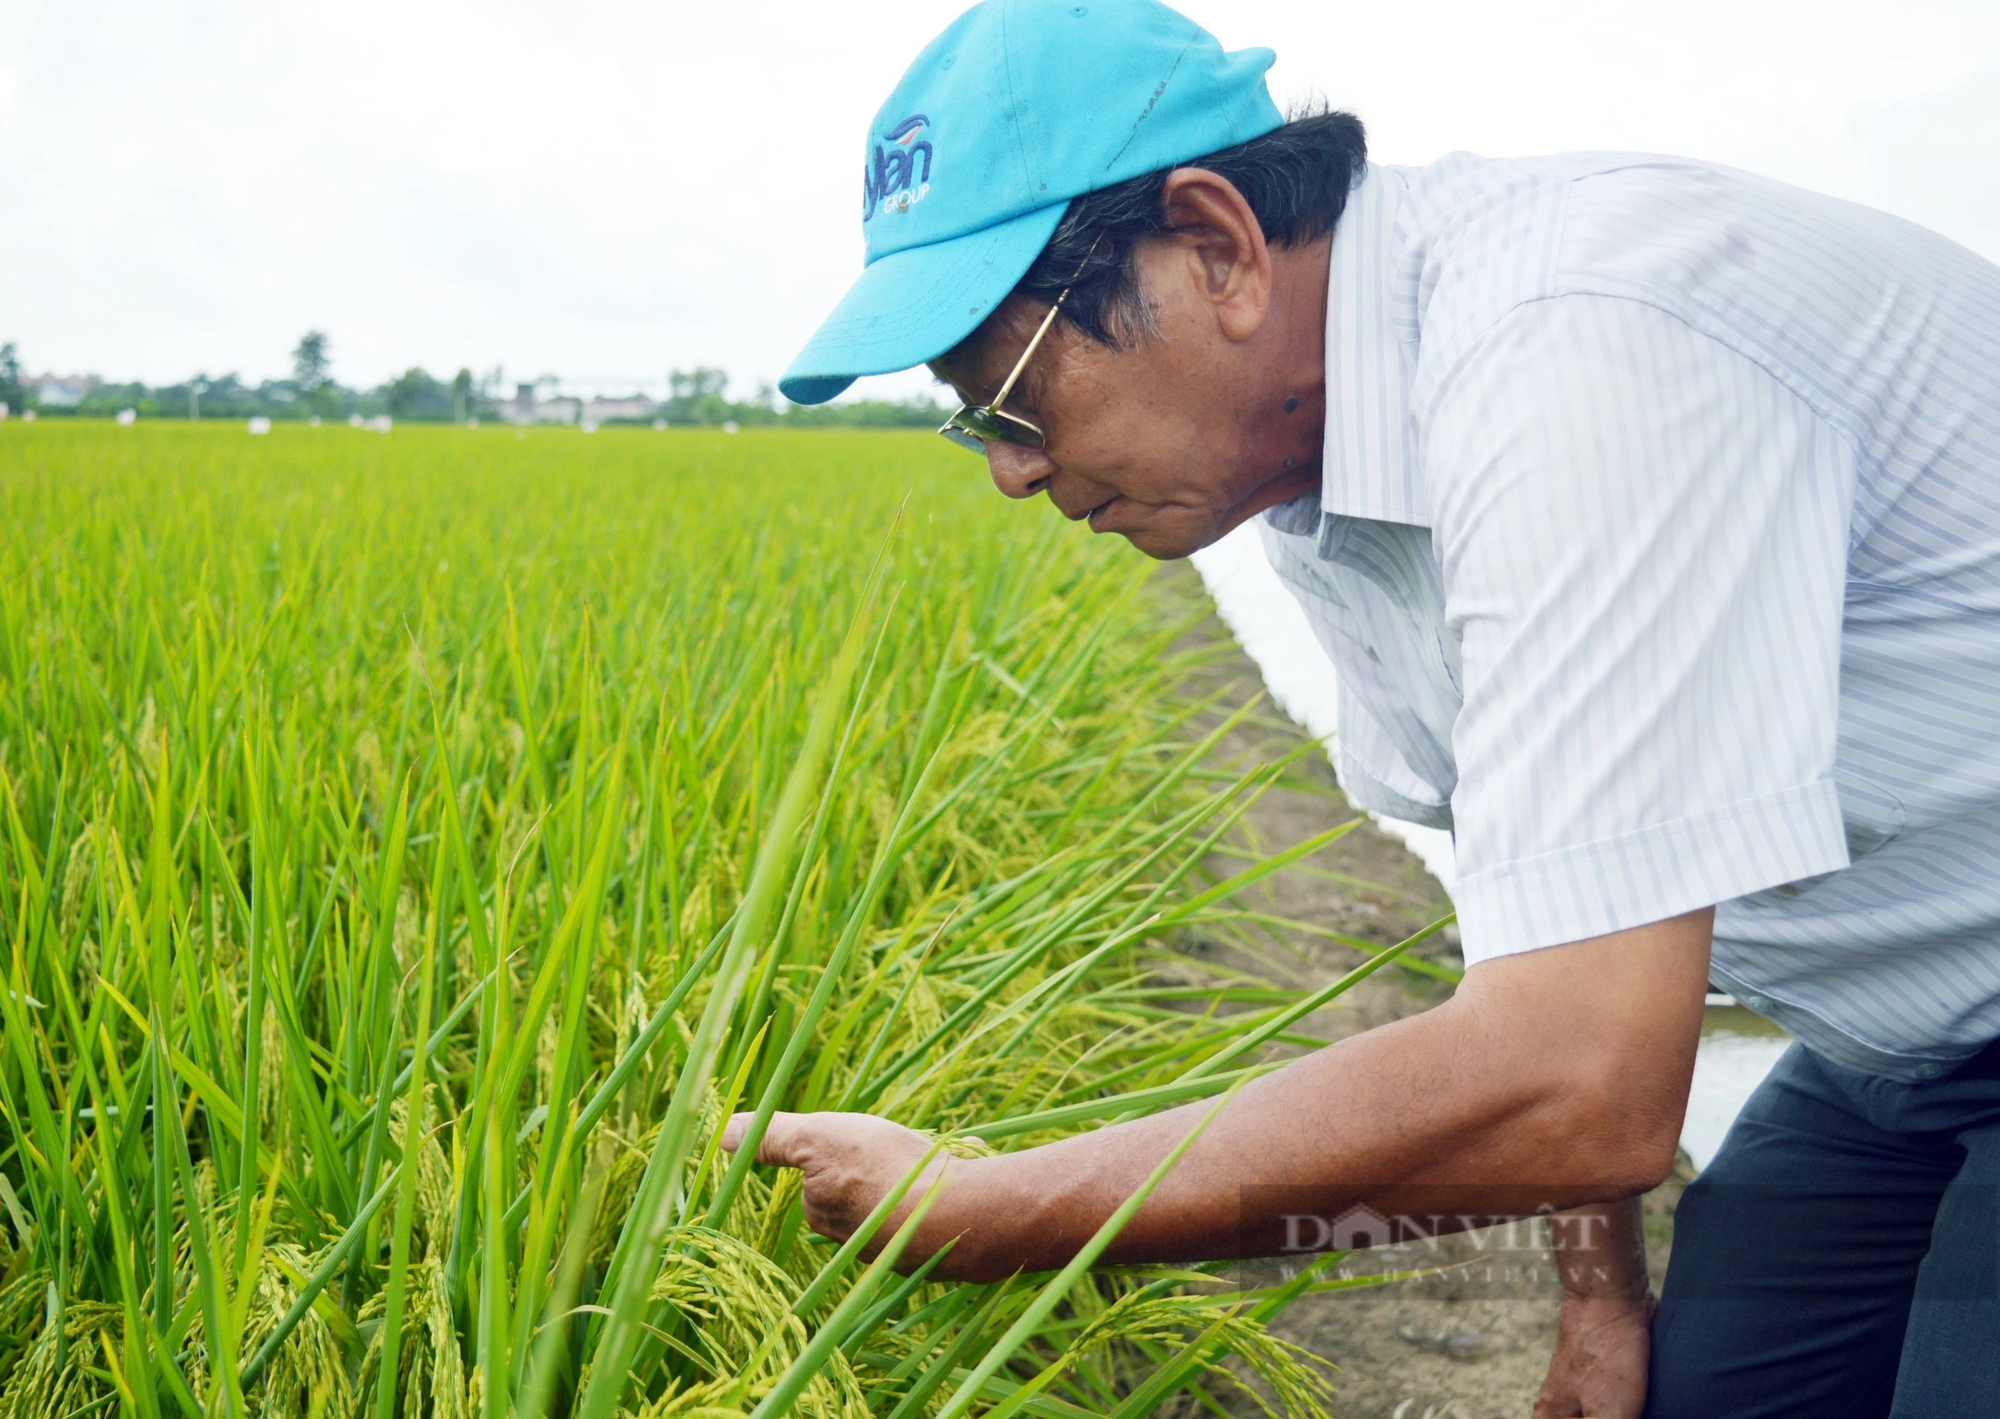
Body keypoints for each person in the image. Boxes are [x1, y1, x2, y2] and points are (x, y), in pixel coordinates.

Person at [719, 1, 2000, 1412]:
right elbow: (1547, 910)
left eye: (1009, 396)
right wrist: (1597, 1296)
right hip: (1907, 1043)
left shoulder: (1578, 360)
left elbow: (1578, 1068)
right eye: (972, 421)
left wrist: (993, 1210)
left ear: (1217, 247)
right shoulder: (1320, 488)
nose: (1011, 473)